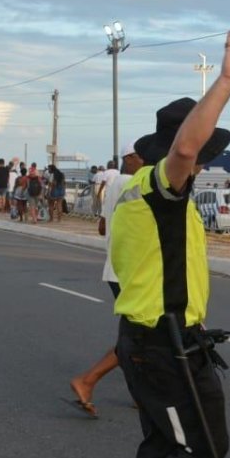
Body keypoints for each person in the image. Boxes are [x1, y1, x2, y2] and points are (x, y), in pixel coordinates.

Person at [107, 24, 230, 458]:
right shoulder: (161, 186)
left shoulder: (141, 190)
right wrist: (226, 82)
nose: (204, 161)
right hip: (163, 347)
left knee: (165, 448)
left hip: (152, 341)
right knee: (202, 450)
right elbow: (187, 151)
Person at [68, 142, 145, 417]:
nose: (147, 161)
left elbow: (102, 227)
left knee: (138, 336)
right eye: (143, 156)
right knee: (139, 337)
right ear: (130, 158)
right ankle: (88, 381)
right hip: (131, 272)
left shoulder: (113, 184)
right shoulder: (132, 183)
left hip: (117, 269)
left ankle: (139, 392)